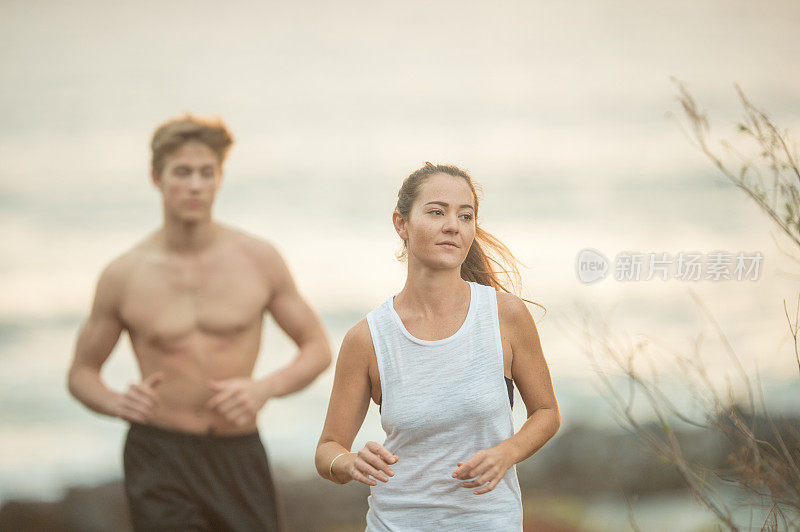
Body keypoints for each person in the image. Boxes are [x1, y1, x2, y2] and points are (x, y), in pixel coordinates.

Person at [67, 114, 332, 532]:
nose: (194, 185)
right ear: (157, 177)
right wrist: (116, 402)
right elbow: (81, 373)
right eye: (182, 172)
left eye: (206, 173)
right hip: (159, 454)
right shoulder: (124, 274)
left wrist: (264, 388)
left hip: (237, 451)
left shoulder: (258, 259)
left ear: (219, 179)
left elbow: (317, 347)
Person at [315, 162, 560, 531]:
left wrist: (505, 454)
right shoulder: (367, 338)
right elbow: (328, 449)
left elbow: (546, 412)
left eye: (465, 216)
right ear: (401, 224)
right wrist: (349, 463)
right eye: (436, 212)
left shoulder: (504, 314)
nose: (453, 225)